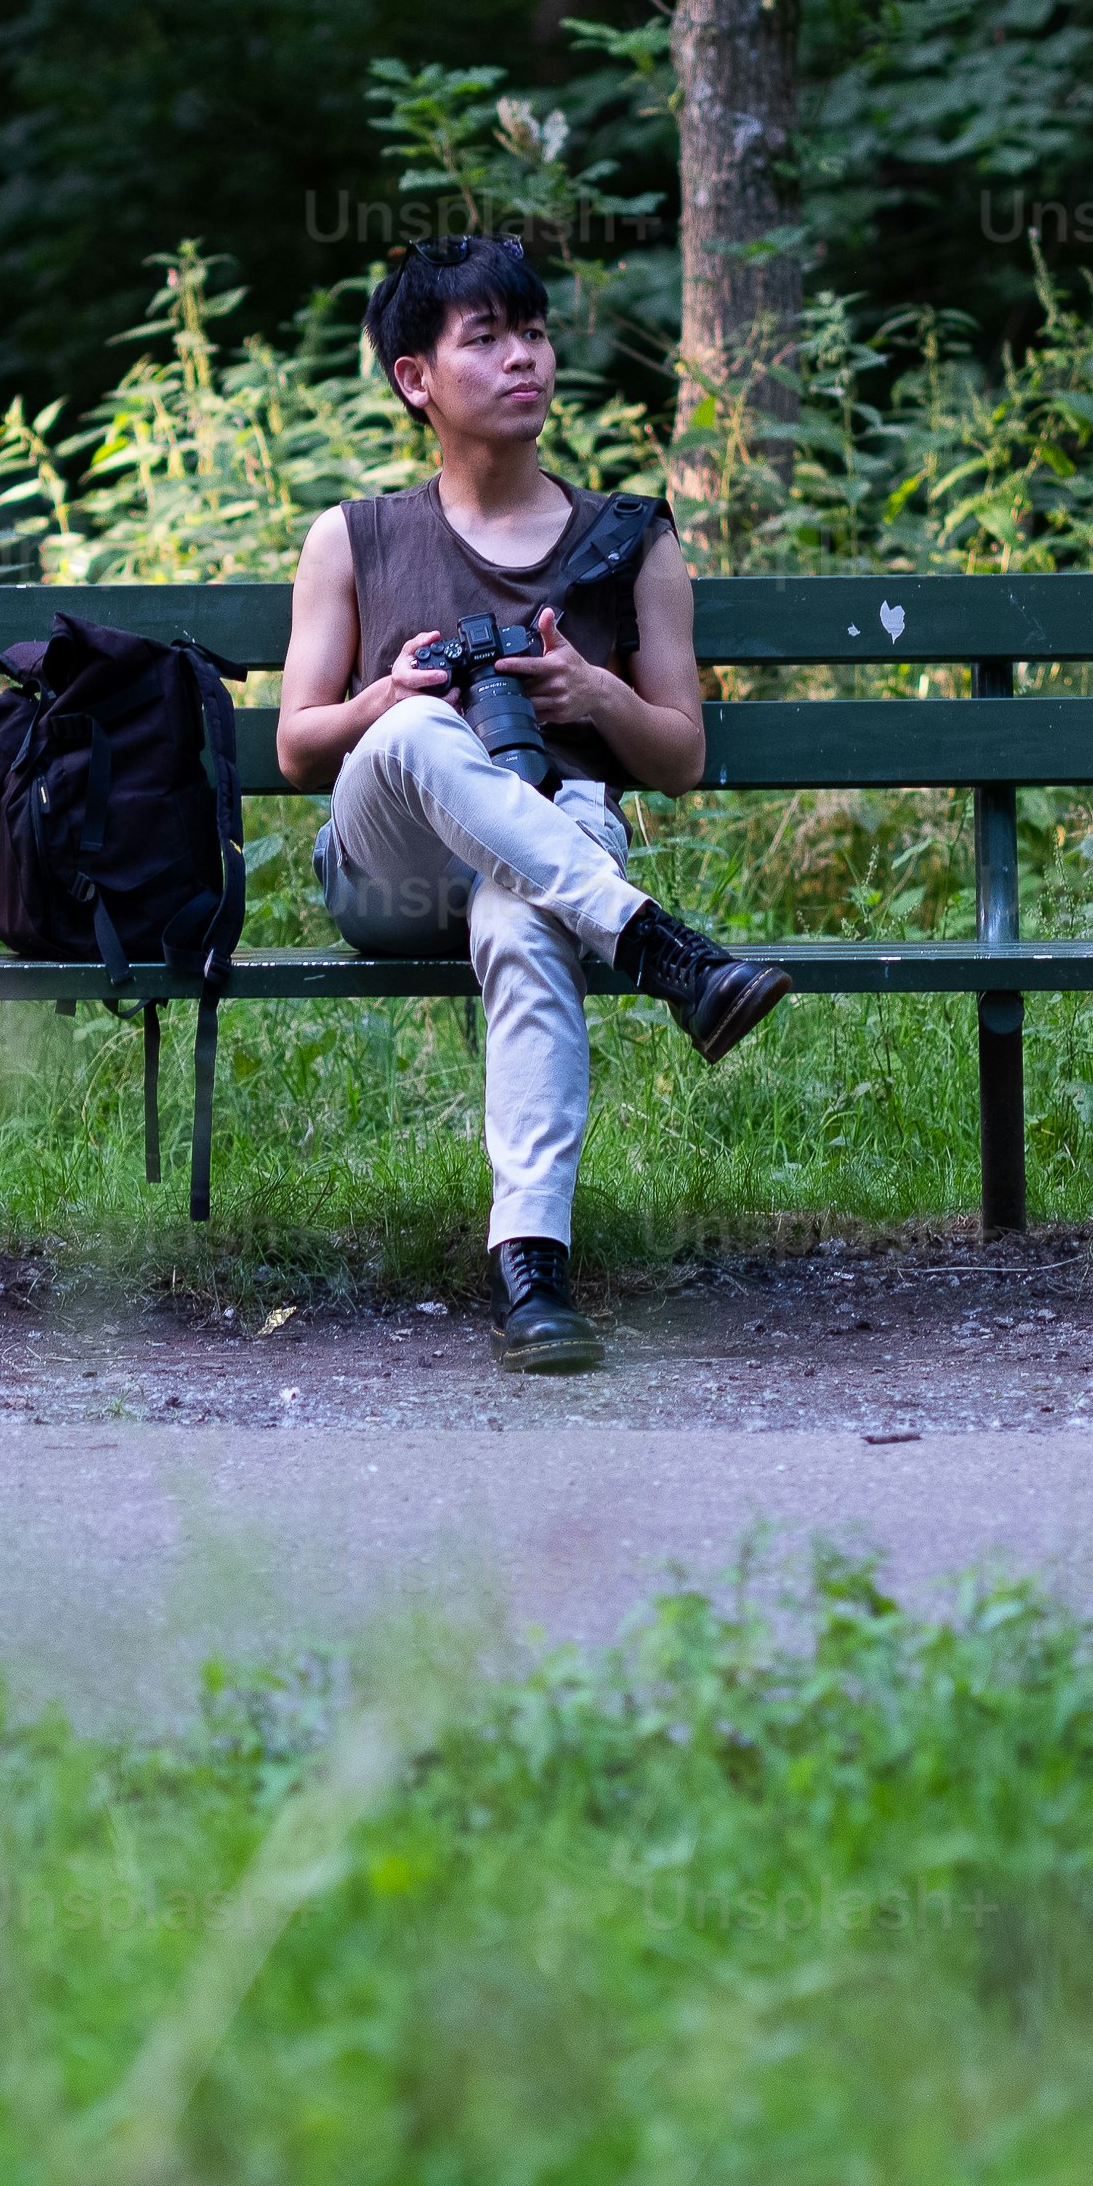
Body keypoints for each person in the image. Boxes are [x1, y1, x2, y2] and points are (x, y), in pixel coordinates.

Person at [272, 235, 791, 1370]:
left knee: (521, 914)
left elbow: (680, 756)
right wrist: (388, 699)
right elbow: (299, 748)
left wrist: (593, 689)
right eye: (487, 338)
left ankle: (533, 1276)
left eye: (536, 332)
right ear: (418, 379)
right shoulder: (354, 537)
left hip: (558, 839)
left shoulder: (629, 539)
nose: (526, 360)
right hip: (394, 867)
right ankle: (661, 950)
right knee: (418, 725)